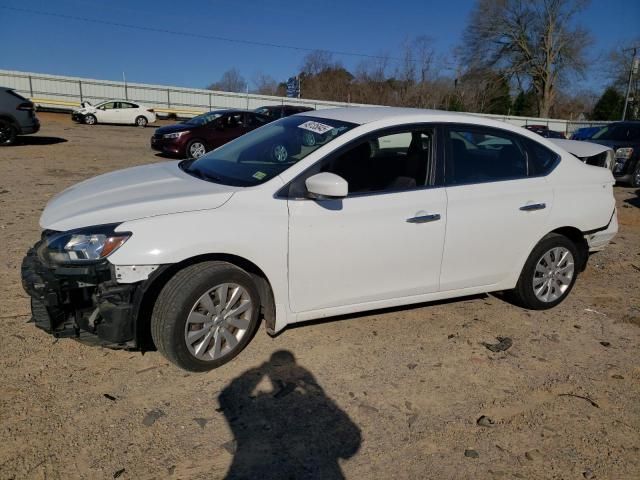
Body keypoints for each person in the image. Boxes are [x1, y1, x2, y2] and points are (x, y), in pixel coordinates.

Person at [219, 350, 361, 479]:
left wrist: (261, 370)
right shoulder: (311, 407)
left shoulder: (260, 409)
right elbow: (350, 445)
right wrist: (313, 390)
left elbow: (227, 398)